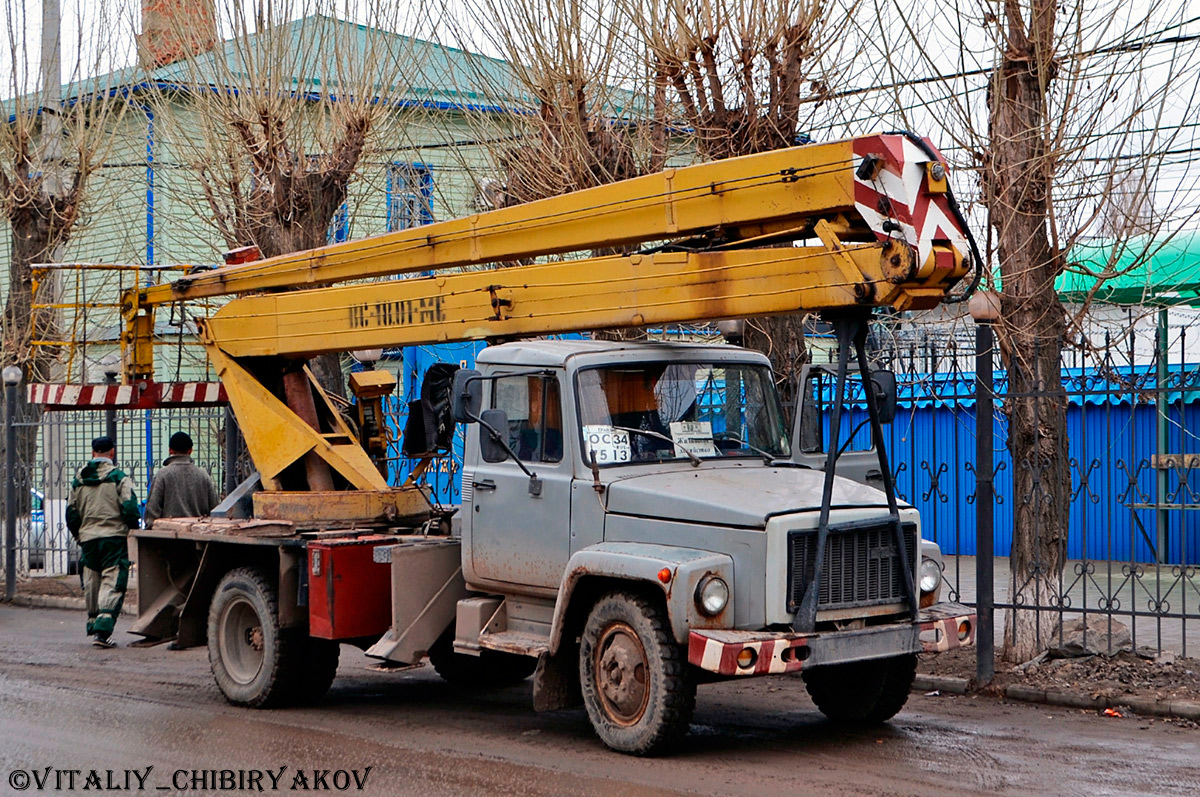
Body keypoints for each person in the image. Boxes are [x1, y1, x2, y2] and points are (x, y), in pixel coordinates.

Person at [66, 436, 139, 648]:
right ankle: (103, 631)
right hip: (113, 536)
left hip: (88, 537)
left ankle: (93, 623)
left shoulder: (78, 480)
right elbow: (129, 508)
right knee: (112, 580)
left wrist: (79, 535)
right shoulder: (119, 478)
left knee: (92, 579)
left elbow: (71, 513)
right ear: (112, 453)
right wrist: (131, 530)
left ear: (93, 453)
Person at [144, 431, 219, 529]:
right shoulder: (203, 475)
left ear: (170, 450)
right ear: (190, 450)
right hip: (197, 536)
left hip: (168, 536)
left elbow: (153, 509)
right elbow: (214, 508)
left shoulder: (163, 475)